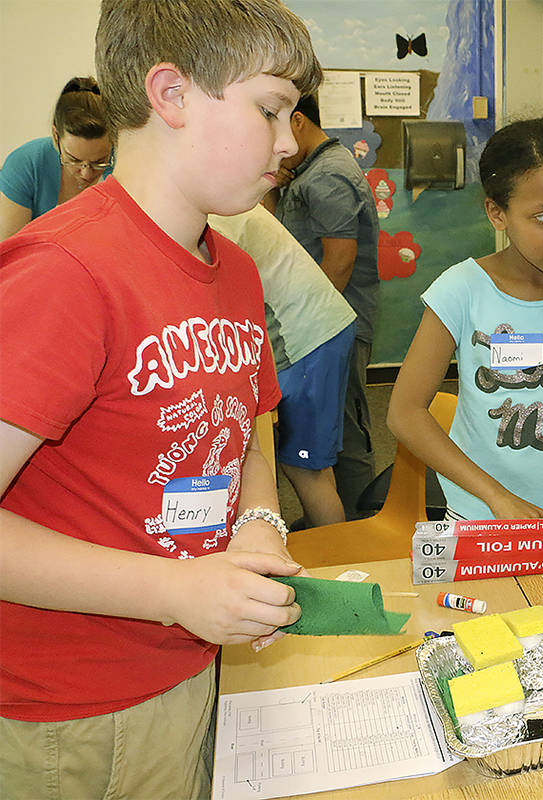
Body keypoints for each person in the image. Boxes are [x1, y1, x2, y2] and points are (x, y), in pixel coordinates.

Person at [0, 1, 322, 796]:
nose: (289, 141)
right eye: (270, 108)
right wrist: (176, 589)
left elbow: (251, 422)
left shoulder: (236, 268)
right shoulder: (65, 274)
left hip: (188, 663)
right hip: (75, 713)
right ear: (171, 94)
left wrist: (257, 521)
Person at [387, 118, 543, 521]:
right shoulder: (460, 291)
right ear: (497, 212)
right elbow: (405, 413)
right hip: (479, 510)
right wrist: (496, 497)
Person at [209, 205, 358, 527]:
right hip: (318, 327)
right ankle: (326, 546)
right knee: (312, 464)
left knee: (304, 467)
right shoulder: (222, 198)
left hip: (305, 337)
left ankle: (333, 564)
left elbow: (214, 296)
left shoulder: (210, 214)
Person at [268, 94, 381, 518]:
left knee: (345, 431)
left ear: (298, 121)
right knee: (331, 427)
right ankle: (339, 518)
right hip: (322, 327)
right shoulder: (310, 172)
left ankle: (357, 524)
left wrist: (314, 330)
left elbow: (340, 257)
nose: (275, 144)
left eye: (277, 127)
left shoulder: (328, 176)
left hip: (333, 327)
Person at [0, 76, 114, 240]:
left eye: (99, 162)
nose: (86, 174)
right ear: (55, 135)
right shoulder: (26, 164)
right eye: (74, 160)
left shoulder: (122, 164)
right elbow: (8, 254)